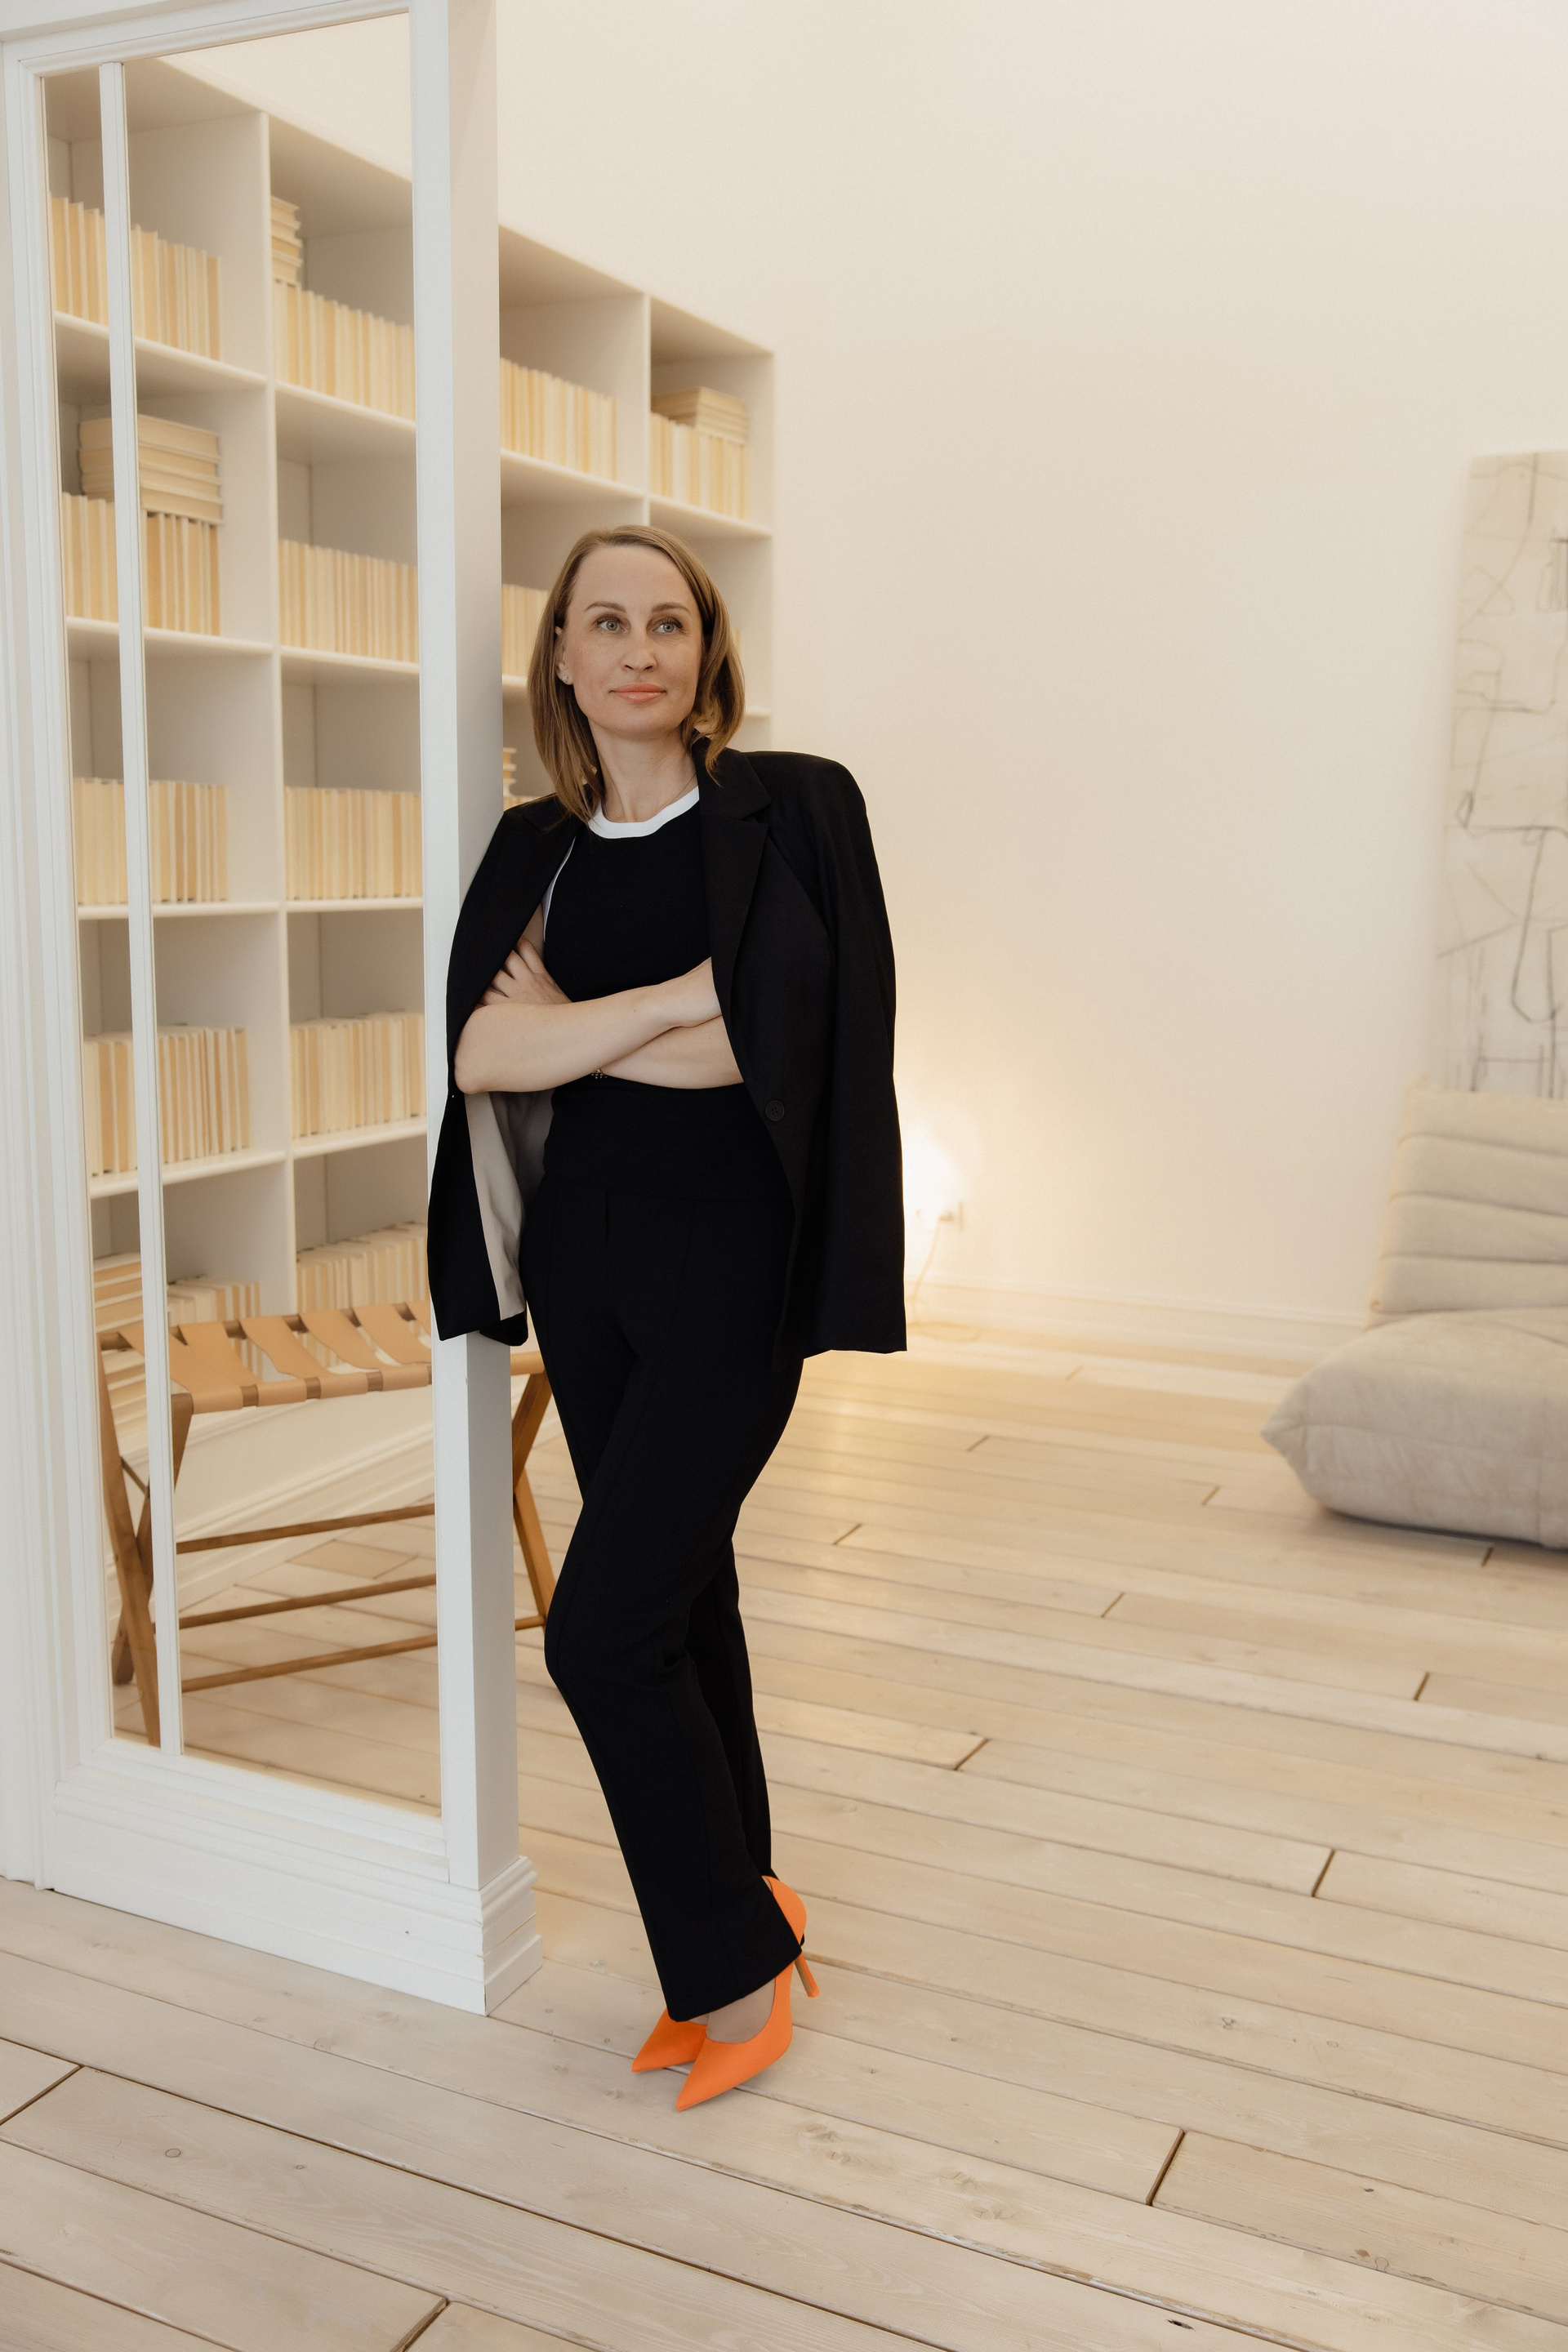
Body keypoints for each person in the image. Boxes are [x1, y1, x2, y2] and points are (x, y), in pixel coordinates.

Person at [427, 523, 903, 2107]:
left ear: (707, 655)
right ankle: (756, 1896)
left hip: (737, 1260)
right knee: (685, 1600)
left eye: (669, 622)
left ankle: (728, 1972)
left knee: (600, 1631)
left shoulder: (795, 809)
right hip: (585, 1259)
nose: (639, 648)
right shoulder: (534, 849)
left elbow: (783, 1050)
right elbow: (481, 1057)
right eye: (605, 623)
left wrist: (580, 1025)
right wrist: (685, 997)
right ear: (561, 660)